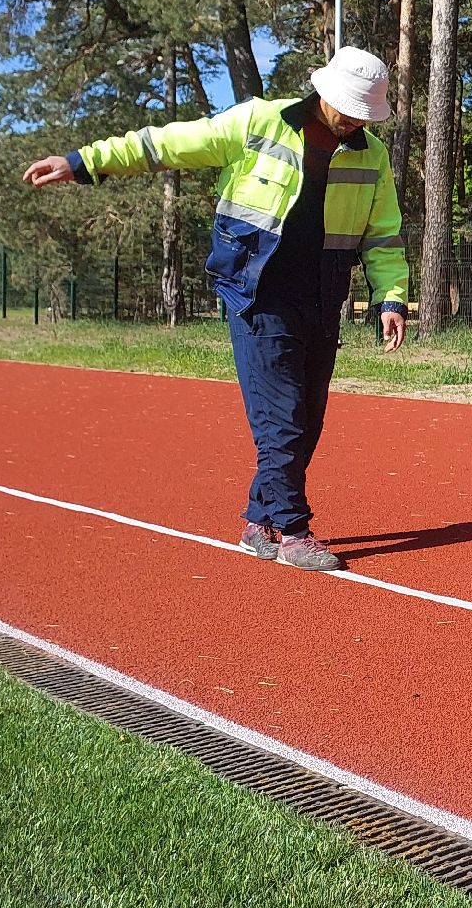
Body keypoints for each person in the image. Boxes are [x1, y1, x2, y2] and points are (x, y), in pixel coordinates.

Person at [22, 46, 410, 572]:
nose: (353, 120)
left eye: (364, 113)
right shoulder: (257, 121)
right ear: (324, 92)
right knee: (283, 417)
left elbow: (382, 234)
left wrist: (391, 297)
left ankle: (258, 522)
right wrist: (81, 162)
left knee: (307, 419)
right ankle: (293, 530)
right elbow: (167, 144)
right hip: (256, 291)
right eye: (349, 108)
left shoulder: (372, 155)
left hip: (323, 295)